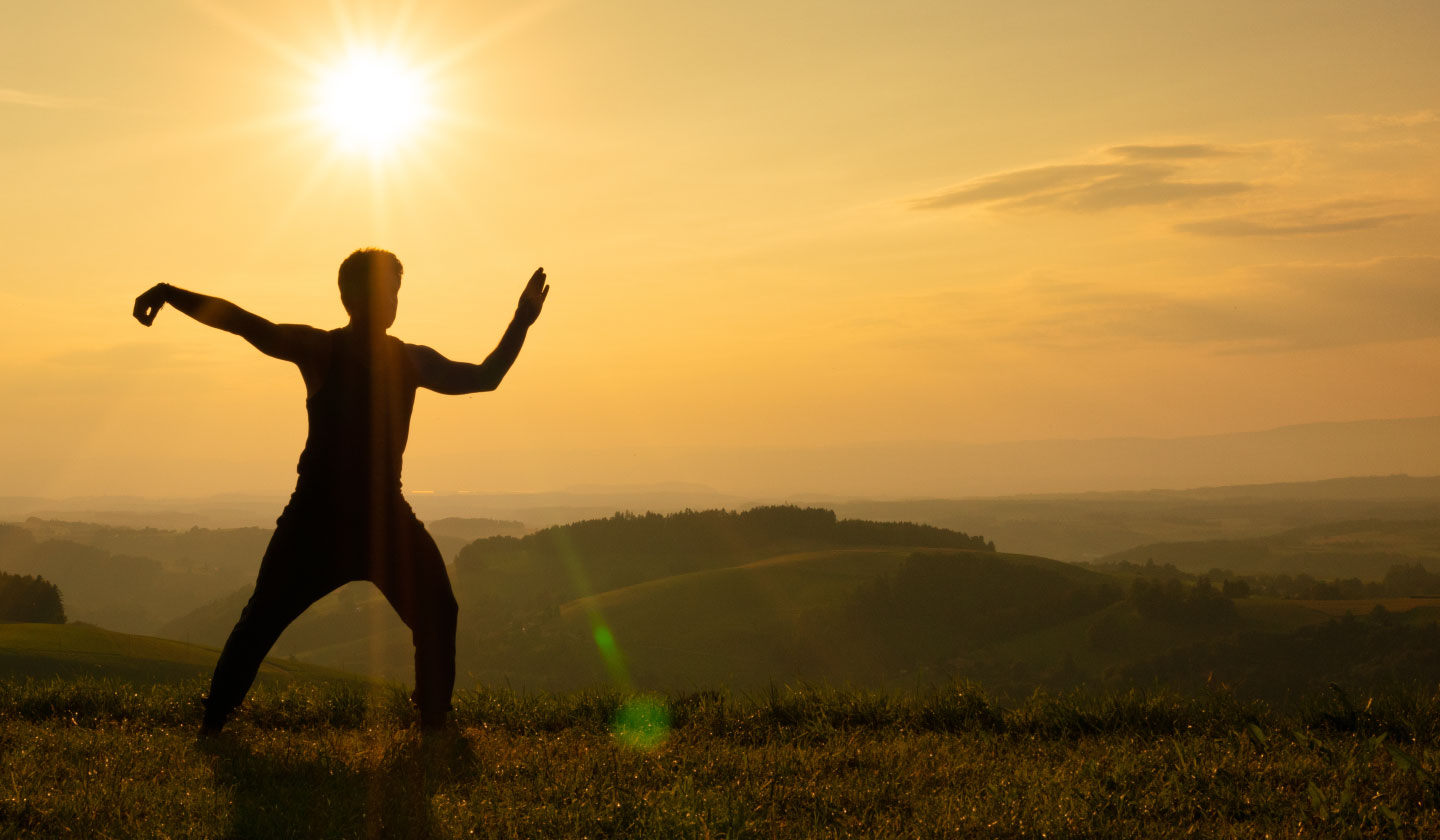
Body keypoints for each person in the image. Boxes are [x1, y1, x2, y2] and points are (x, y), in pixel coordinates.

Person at [132, 249, 549, 732]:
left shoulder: (393, 357)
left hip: (358, 519)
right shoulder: (337, 351)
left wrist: (523, 318)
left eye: (397, 290)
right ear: (358, 297)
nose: (394, 300)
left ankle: (433, 721)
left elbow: (485, 378)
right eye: (390, 290)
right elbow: (245, 323)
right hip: (326, 519)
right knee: (262, 620)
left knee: (432, 608)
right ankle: (214, 721)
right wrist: (168, 293)